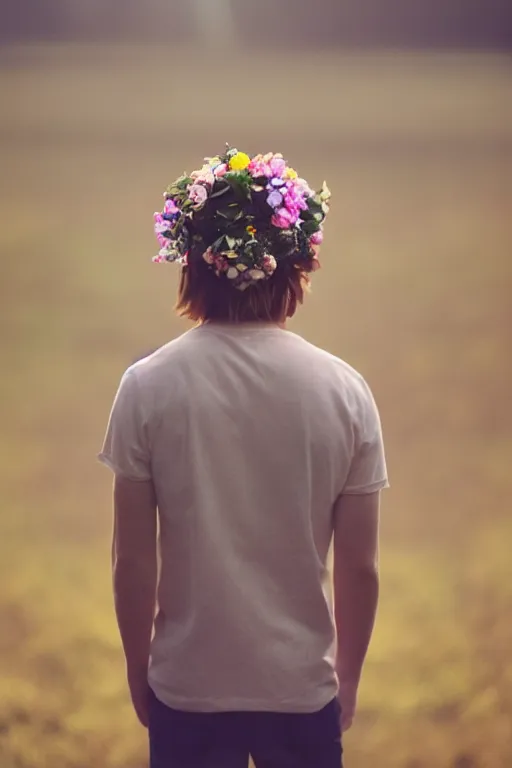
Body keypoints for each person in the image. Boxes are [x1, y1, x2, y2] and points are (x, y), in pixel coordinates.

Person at [98, 147, 389, 768]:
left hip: (188, 688)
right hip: (301, 690)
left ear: (194, 267)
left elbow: (131, 558)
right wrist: (350, 677)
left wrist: (137, 666)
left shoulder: (147, 386)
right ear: (296, 267)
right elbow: (359, 569)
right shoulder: (344, 390)